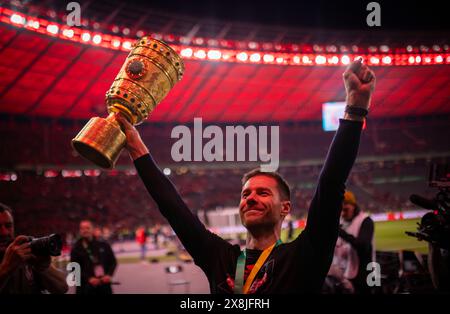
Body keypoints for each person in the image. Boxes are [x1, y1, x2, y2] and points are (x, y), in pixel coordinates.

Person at [116, 58, 376, 293]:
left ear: (285, 208)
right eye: (245, 194)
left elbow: (330, 184)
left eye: (263, 193)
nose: (250, 198)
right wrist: (136, 147)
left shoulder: (304, 256)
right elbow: (173, 207)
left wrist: (355, 108)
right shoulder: (219, 257)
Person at [0, 203, 68, 294]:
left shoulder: (24, 252)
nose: (4, 232)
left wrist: (42, 267)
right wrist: (6, 268)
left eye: (8, 226)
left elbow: (62, 288)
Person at [327, 191, 375, 293]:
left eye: (345, 208)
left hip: (363, 274)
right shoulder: (341, 222)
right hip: (344, 275)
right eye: (340, 209)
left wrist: (341, 233)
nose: (342, 212)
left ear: (353, 205)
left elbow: (363, 246)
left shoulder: (365, 221)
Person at [70, 220, 117, 294]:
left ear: (92, 229)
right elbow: (74, 268)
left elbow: (113, 262)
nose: (85, 230)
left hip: (104, 286)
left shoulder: (104, 245)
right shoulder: (76, 248)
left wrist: (109, 275)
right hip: (85, 288)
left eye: (87, 228)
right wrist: (88, 279)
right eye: (82, 228)